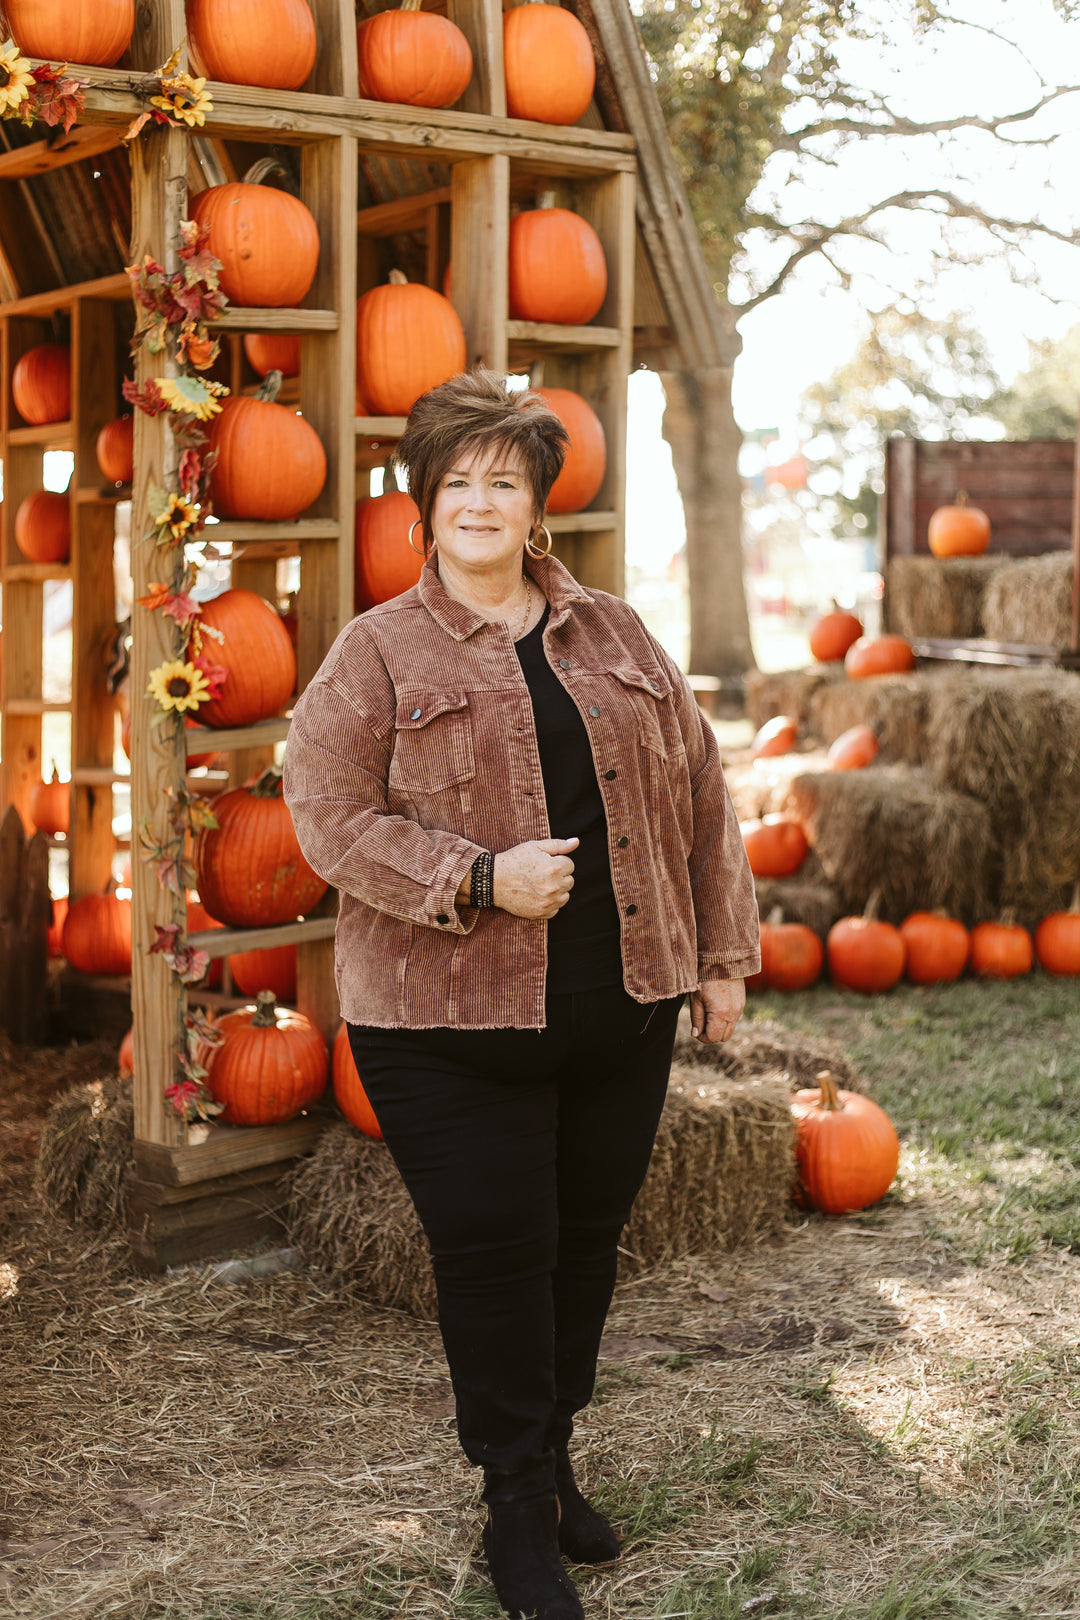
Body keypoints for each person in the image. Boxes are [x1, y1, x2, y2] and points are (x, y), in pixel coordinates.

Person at [283, 369, 760, 1620]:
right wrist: (480, 877)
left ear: (539, 500)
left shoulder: (617, 633)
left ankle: (552, 1465)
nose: (482, 500)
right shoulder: (374, 650)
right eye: (458, 483)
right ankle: (512, 1508)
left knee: (586, 1249)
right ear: (423, 507)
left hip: (621, 1003)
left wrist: (719, 961)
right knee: (498, 1260)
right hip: (445, 1024)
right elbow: (326, 820)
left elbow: (701, 788)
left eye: (506, 478)